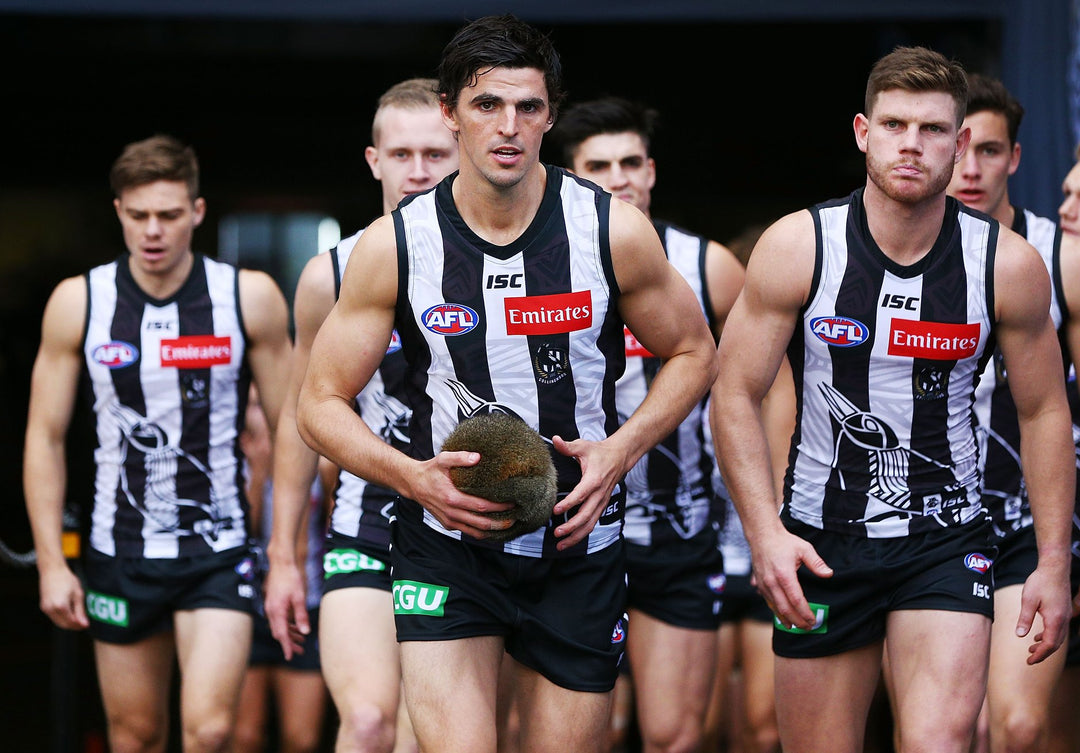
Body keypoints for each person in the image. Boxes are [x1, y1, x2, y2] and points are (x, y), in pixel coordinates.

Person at [295, 14, 718, 753]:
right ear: (450, 112)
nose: (508, 126)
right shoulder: (395, 245)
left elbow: (692, 350)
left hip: (577, 545)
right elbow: (318, 402)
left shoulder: (609, 230)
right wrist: (410, 477)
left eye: (527, 107)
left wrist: (621, 450)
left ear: (550, 115)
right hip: (445, 541)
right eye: (487, 105)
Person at [710, 46, 1075, 753]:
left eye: (934, 129)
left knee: (941, 739)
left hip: (947, 539)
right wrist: (764, 534)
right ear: (862, 131)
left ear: (961, 143)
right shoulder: (799, 245)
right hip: (818, 540)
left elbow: (1044, 412)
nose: (913, 144)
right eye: (896, 124)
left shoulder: (1006, 263)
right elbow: (734, 392)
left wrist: (1053, 563)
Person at [23, 134, 292, 753]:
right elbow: (45, 436)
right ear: (117, 211)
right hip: (118, 550)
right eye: (139, 215)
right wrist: (50, 563)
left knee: (211, 730)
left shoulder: (246, 296)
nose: (153, 231)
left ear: (197, 213)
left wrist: (282, 552)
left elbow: (293, 429)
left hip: (219, 550)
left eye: (169, 215)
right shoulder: (78, 301)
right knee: (136, 735)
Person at [262, 77, 458, 753]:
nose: (419, 169)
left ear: (462, 150)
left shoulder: (505, 263)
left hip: (468, 532)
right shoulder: (329, 274)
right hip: (364, 526)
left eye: (434, 152)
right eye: (400, 153)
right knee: (369, 722)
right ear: (373, 160)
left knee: (423, 734)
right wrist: (285, 558)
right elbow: (298, 418)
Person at [550, 96, 745, 753]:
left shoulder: (711, 266)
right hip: (572, 527)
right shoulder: (542, 265)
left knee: (675, 735)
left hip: (678, 529)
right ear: (571, 176)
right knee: (564, 735)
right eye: (598, 165)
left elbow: (761, 390)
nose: (619, 177)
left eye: (630, 161)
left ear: (653, 171)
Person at [920, 71, 1067, 753]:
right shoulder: (895, 251)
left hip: (1022, 524)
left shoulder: (1060, 256)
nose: (972, 168)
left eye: (992, 150)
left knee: (1017, 724)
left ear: (1014, 157)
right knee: (954, 728)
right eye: (963, 147)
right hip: (927, 527)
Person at [233, 385, 330, 753]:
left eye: (265, 402)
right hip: (248, 606)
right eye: (254, 404)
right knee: (244, 736)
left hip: (309, 605)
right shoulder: (237, 460)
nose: (262, 412)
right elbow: (246, 531)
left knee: (301, 739)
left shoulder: (320, 459)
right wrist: (259, 473)